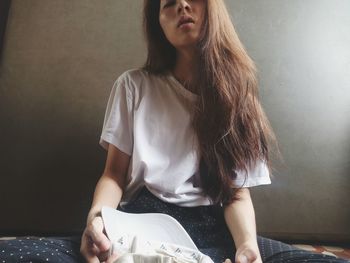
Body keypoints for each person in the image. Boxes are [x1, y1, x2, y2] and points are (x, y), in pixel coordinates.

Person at [0, 1, 348, 263]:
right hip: (141, 224)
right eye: (168, 2)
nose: (182, 4)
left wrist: (247, 246)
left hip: (216, 228)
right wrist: (97, 220)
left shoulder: (241, 94)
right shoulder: (134, 86)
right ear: (159, 23)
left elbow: (237, 195)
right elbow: (113, 175)